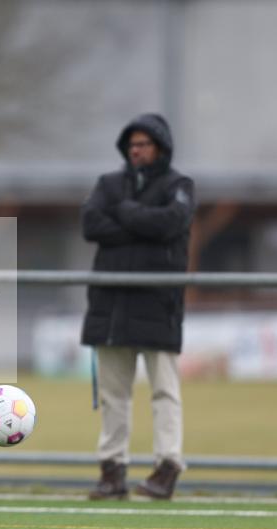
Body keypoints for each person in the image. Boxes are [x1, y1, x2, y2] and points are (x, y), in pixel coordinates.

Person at [81, 113, 195, 501]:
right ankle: (112, 470)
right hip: (110, 305)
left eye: (144, 143)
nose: (136, 150)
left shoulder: (180, 186)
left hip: (158, 303)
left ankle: (168, 466)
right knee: (114, 394)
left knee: (165, 390)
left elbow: (170, 223)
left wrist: (125, 213)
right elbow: (91, 225)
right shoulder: (108, 184)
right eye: (132, 144)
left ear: (160, 147)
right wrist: (141, 225)